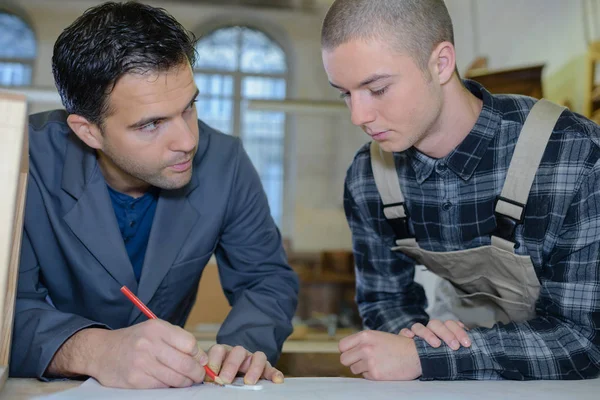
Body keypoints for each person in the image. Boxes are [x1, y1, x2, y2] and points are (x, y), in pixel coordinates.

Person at [10, 1, 299, 389]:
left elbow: (265, 280)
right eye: (151, 124)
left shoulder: (225, 162)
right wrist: (94, 350)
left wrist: (244, 347)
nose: (187, 140)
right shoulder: (18, 160)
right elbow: (7, 307)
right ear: (87, 131)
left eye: (189, 107)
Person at [321, 0, 600, 381]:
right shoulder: (369, 178)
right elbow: (386, 301)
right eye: (345, 94)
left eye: (378, 89)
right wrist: (414, 337)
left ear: (440, 63)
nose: (359, 116)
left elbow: (586, 340)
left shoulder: (574, 156)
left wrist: (431, 355)